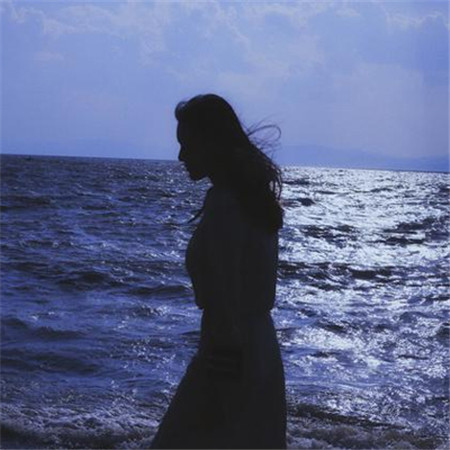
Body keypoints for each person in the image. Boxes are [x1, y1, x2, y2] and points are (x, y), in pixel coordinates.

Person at [150, 94, 287, 449]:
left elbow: (226, 291)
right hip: (258, 345)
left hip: (230, 348)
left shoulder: (225, 203)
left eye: (187, 144)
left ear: (211, 143)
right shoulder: (251, 198)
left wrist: (221, 366)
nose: (181, 156)